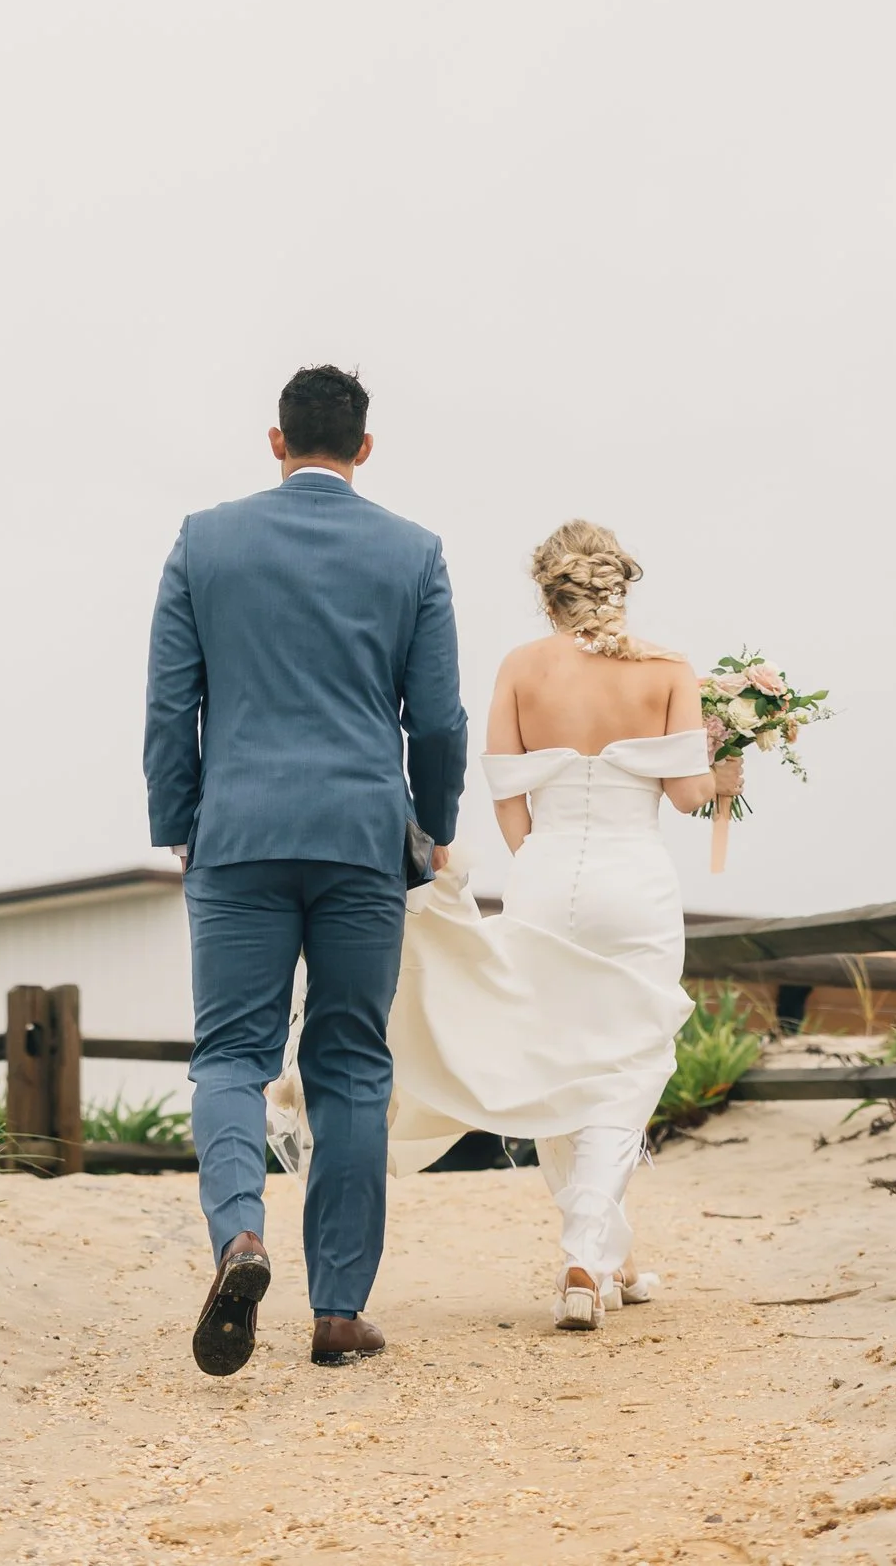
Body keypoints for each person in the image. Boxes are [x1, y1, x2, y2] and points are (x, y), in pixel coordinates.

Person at [143, 365, 466, 1376]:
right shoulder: (414, 552)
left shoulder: (204, 540)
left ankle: (240, 1234)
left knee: (230, 1056)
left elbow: (170, 702)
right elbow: (438, 721)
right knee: (351, 1063)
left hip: (238, 832)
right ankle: (337, 1311)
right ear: (364, 448)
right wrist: (433, 827)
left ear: (275, 441)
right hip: (361, 837)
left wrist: (181, 822)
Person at [383, 519, 740, 1331]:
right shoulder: (669, 670)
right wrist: (725, 773)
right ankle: (585, 1252)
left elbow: (508, 801)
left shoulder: (520, 667)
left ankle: (606, 1256)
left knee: (558, 1059)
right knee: (630, 1062)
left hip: (543, 878)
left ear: (548, 595)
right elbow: (690, 797)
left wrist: (544, 866)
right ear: (620, 585)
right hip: (634, 881)